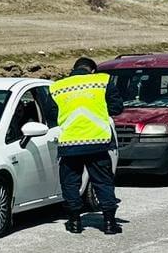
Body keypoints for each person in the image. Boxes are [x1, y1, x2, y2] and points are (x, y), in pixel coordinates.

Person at [48, 56, 125, 235]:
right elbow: (117, 108)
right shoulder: (102, 81)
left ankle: (74, 222)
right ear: (92, 70)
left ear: (73, 69)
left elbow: (52, 116)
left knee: (70, 183)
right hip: (98, 142)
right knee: (103, 182)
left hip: (70, 143)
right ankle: (109, 223)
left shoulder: (58, 87)